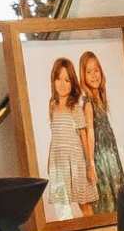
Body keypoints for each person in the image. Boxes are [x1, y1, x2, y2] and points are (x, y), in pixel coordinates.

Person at [44, 55, 103, 217]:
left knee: (84, 202)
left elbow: (83, 135)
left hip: (76, 161)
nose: (62, 85)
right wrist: (50, 158)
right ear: (53, 81)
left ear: (73, 83)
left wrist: (89, 165)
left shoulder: (75, 107)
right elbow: (54, 135)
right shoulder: (52, 105)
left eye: (67, 80)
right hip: (59, 160)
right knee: (62, 203)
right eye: (58, 79)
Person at [78, 49, 124, 207]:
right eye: (89, 72)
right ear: (83, 77)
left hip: (111, 154)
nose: (94, 75)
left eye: (96, 70)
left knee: (119, 190)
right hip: (101, 158)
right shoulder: (88, 103)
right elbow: (90, 132)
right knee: (107, 196)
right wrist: (91, 163)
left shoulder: (100, 99)